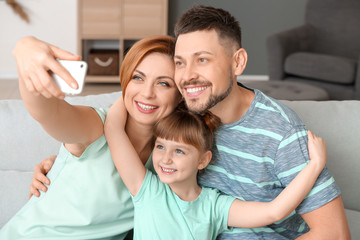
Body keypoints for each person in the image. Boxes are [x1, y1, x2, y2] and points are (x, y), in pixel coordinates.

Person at [11, 5, 351, 239]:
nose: (188, 76)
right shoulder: (177, 127)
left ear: (238, 62)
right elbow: (60, 119)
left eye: (202, 60)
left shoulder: (278, 132)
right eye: (181, 63)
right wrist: (62, 162)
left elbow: (330, 232)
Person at [0, 35, 182, 239]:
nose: (147, 93)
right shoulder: (97, 126)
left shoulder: (171, 161)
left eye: (164, 84)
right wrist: (25, 50)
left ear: (180, 95)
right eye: (138, 78)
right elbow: (49, 113)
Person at [104, 94, 328, 240]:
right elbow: (113, 129)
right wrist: (132, 92)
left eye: (179, 151)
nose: (166, 158)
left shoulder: (215, 205)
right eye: (161, 147)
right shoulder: (147, 190)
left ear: (203, 160)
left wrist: (314, 166)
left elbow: (274, 211)